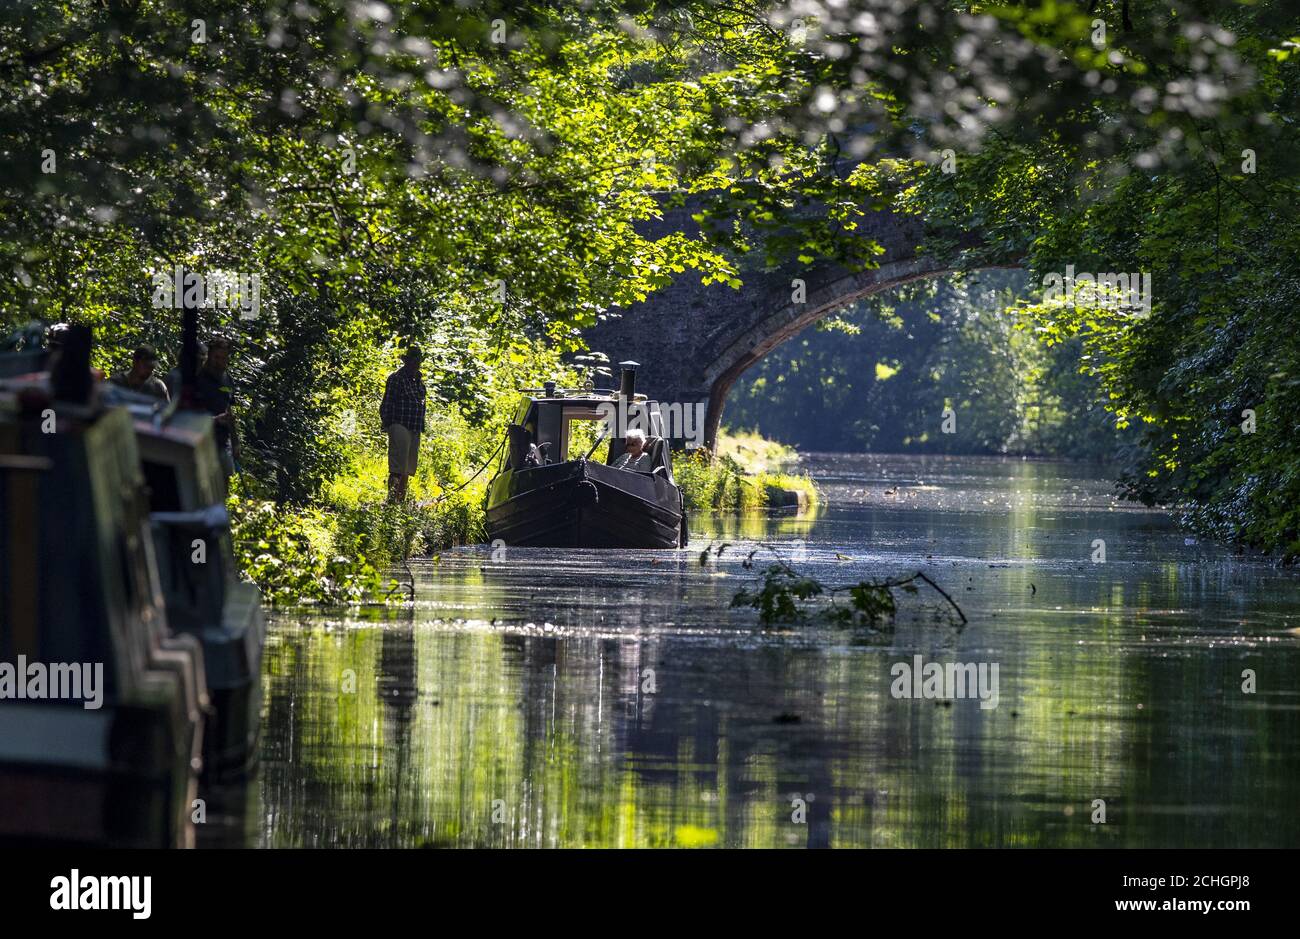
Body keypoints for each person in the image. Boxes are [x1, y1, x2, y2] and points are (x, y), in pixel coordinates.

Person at [379, 346, 427, 502]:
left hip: (414, 426)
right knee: (397, 466)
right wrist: (388, 423)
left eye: (417, 360)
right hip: (399, 423)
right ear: (406, 361)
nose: (415, 363)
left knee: (407, 468)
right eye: (412, 360)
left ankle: (400, 501)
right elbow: (388, 402)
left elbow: (422, 405)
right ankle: (392, 500)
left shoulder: (419, 382)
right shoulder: (396, 378)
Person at [193, 335, 241, 476]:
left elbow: (228, 410)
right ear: (208, 355)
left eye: (224, 358)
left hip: (221, 444)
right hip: (198, 443)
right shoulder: (196, 379)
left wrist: (235, 441)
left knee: (222, 487)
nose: (220, 362)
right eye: (216, 357)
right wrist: (214, 420)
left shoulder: (227, 380)